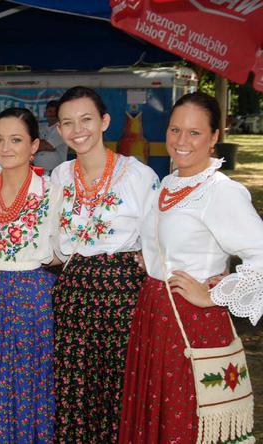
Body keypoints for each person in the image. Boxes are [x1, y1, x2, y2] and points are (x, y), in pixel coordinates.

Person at [119, 92, 261, 443]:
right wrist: (149, 258)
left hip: (191, 322)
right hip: (154, 312)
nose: (181, 141)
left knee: (186, 415)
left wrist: (214, 295)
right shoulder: (169, 183)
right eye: (175, 129)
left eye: (195, 133)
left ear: (215, 137)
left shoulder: (220, 192)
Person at [50, 86, 158, 443]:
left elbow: (160, 235)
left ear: (105, 122)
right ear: (60, 129)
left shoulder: (137, 175)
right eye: (68, 122)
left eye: (86, 119)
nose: (77, 129)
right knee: (75, 392)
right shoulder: (59, 178)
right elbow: (51, 243)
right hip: (74, 297)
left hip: (123, 298)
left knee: (119, 389)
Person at [0, 107, 61, 443]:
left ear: (34, 145)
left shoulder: (50, 190)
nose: (5, 147)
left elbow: (63, 248)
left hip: (32, 296)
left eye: (16, 139)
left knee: (28, 384)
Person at [33, 100, 67, 175]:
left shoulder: (61, 127)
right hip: (38, 171)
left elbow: (48, 146)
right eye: (50, 111)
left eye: (55, 111)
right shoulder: (42, 127)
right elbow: (31, 144)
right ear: (46, 113)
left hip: (54, 172)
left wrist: (35, 145)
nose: (52, 114)